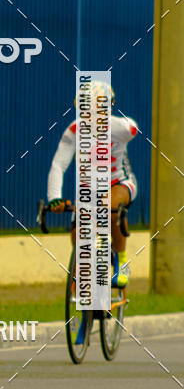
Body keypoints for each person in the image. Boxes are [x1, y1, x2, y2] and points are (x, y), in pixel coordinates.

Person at [47, 83, 137, 287]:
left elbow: (132, 127)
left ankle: (121, 261)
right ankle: (86, 279)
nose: (92, 118)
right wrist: (55, 198)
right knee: (77, 232)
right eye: (86, 111)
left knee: (110, 207)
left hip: (120, 182)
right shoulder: (74, 130)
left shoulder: (119, 128)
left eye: (98, 111)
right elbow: (58, 165)